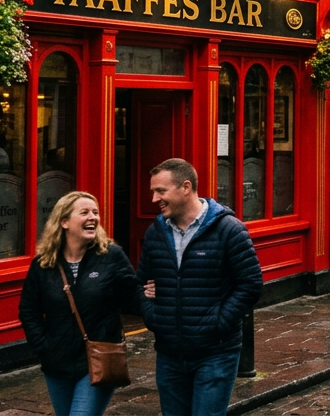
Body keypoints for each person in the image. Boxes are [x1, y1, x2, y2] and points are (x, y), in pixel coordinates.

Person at [138, 159, 262, 416]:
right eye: (153, 191)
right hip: (170, 353)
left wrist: (217, 323)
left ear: (186, 187)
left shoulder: (229, 229)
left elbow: (250, 284)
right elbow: (142, 283)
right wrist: (154, 317)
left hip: (215, 353)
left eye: (161, 191)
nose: (154, 199)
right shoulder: (155, 232)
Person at [19, 192, 140, 416]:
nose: (92, 217)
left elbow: (133, 299)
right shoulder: (44, 263)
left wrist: (153, 294)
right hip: (57, 363)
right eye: (84, 212)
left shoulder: (111, 255)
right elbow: (29, 310)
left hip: (98, 360)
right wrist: (44, 348)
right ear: (64, 222)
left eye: (95, 212)